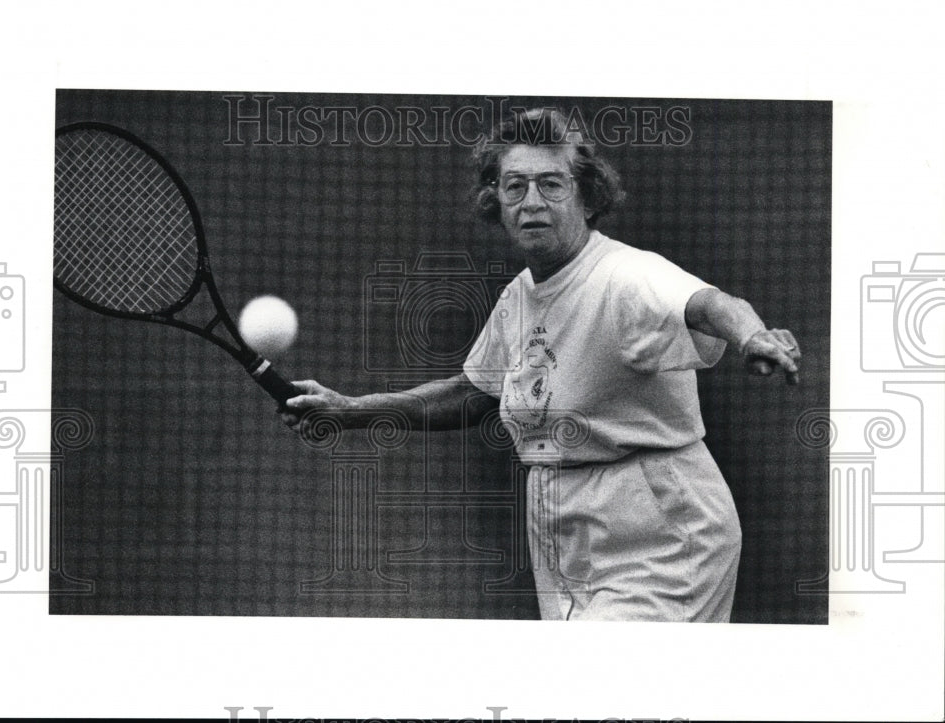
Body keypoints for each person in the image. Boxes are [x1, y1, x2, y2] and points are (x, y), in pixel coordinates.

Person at [280, 107, 801, 622]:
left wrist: (751, 335)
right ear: (496, 200)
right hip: (563, 536)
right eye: (515, 186)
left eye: (551, 184)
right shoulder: (519, 297)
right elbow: (475, 394)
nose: (532, 202)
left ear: (587, 196)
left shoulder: (626, 276)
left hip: (662, 533)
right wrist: (351, 410)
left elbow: (710, 305)